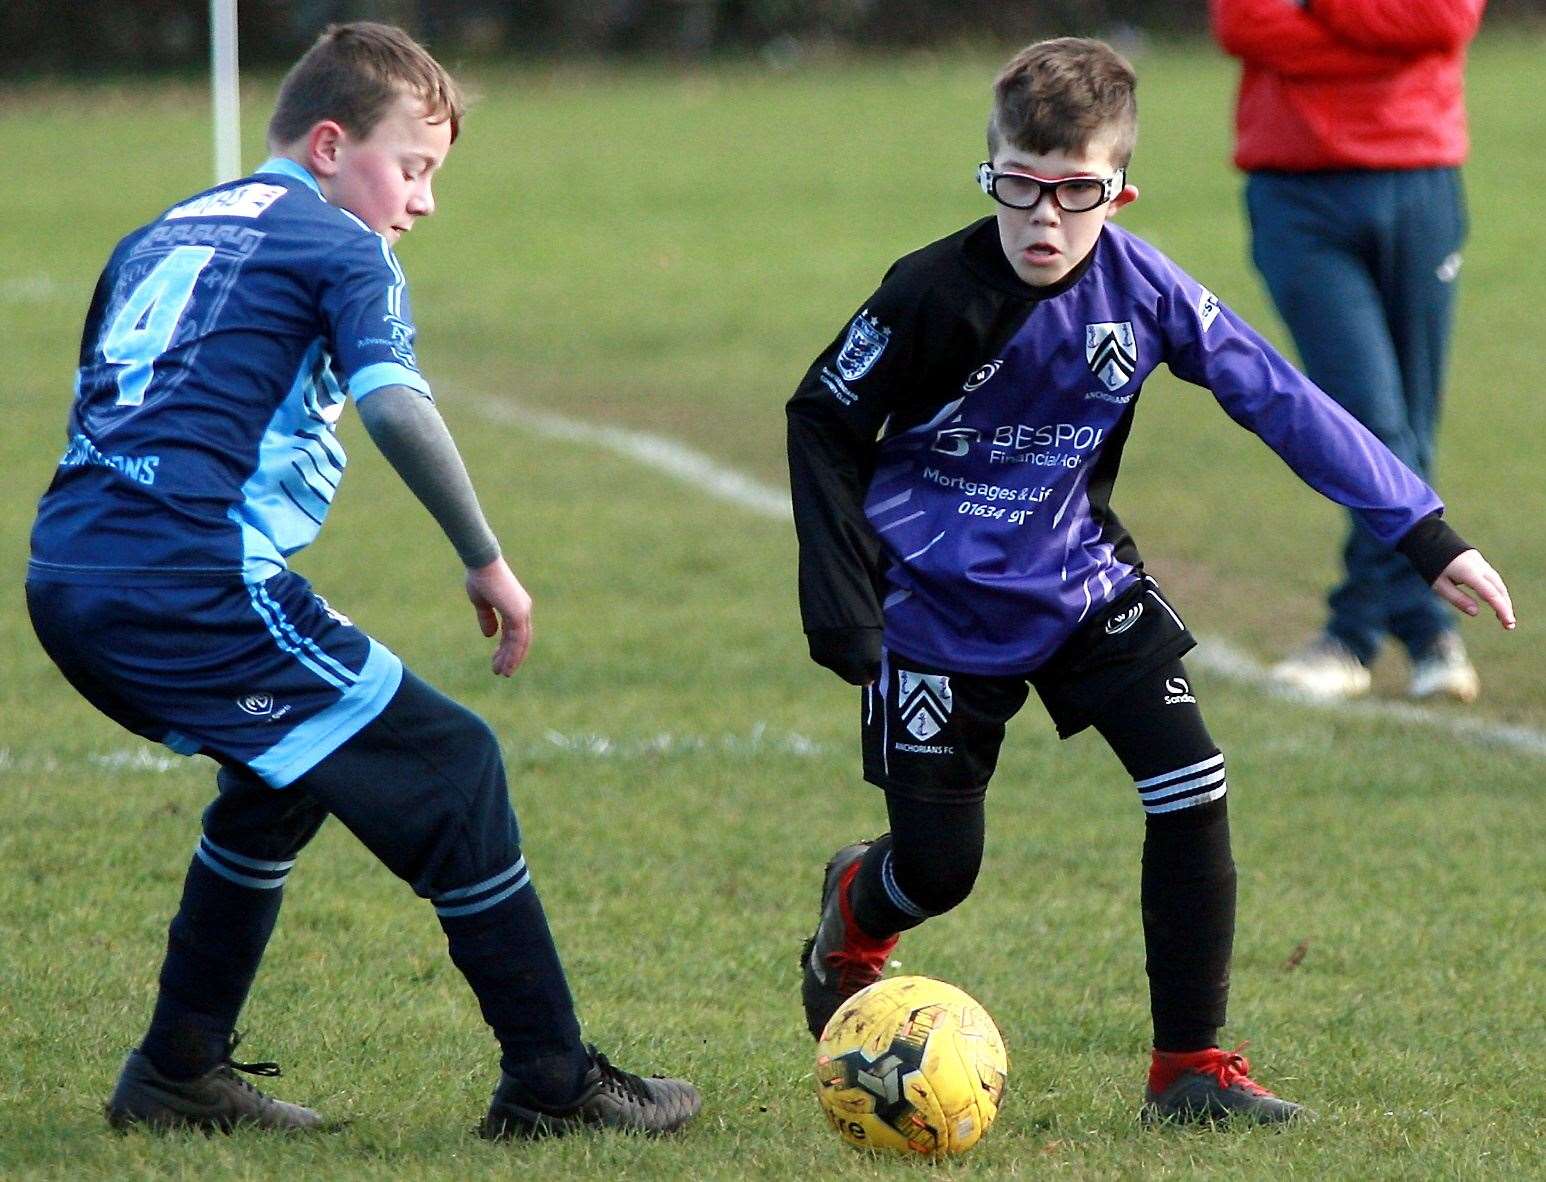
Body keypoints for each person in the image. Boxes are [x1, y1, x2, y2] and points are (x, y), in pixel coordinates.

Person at [786, 37, 1514, 1125]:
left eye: (1072, 193)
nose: (1042, 220)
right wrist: (843, 602)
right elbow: (823, 419)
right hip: (933, 611)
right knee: (939, 871)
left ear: (1116, 191)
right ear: (990, 171)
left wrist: (1423, 532)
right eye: (1018, 188)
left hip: (1081, 584)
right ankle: (858, 905)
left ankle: (1188, 1071)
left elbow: (1278, 397)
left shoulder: (1145, 289)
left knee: (1192, 785)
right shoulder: (928, 293)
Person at [26, 22, 699, 1139]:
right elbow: (394, 399)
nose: (422, 202)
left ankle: (177, 1074)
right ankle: (552, 1083)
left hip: (70, 569)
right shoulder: (341, 244)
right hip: (185, 581)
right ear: (331, 145)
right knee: (453, 764)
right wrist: (484, 555)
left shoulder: (162, 230)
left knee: (280, 778)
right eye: (414, 166)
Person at [1211, 0, 1488, 703]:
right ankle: (1400, 632)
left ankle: (1379, 632)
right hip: (1298, 194)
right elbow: (1247, 24)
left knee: (1411, 427)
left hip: (1420, 179)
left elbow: (1445, 21)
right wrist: (1388, 47)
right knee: (1370, 417)